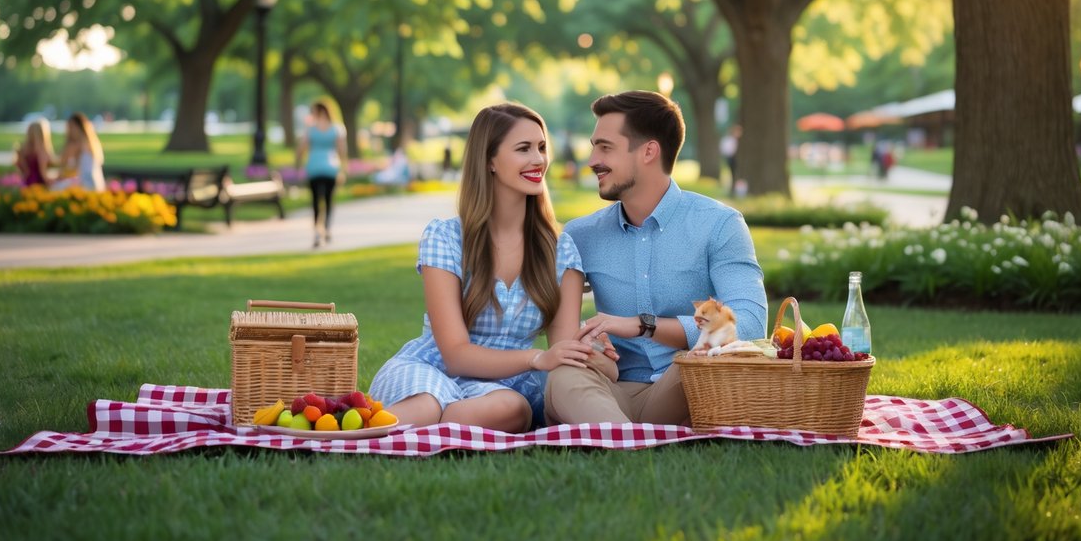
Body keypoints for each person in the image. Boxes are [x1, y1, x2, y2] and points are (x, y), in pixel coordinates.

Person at [369, 103, 615, 432]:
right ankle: (362, 433)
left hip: (502, 388)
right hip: (433, 369)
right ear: (489, 161)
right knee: (426, 404)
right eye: (523, 149)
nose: (538, 160)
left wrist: (595, 352)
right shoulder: (446, 237)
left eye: (542, 148)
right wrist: (534, 359)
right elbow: (455, 354)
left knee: (511, 409)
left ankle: (417, 430)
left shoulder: (560, 250)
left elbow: (561, 349)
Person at [545, 90, 767, 426]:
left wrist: (643, 325)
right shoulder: (581, 235)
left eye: (605, 147)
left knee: (703, 360)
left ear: (649, 151)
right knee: (562, 376)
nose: (592, 160)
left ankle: (616, 438)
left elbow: (750, 323)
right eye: (594, 146)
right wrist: (592, 344)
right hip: (612, 389)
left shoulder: (719, 225)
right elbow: (560, 331)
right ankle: (626, 437)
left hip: (686, 383)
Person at [295, 101, 348, 248]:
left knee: (315, 202)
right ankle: (327, 228)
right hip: (331, 167)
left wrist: (297, 164)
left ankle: (317, 231)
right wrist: (343, 167)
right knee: (329, 200)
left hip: (314, 167)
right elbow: (342, 149)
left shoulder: (310, 130)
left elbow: (302, 147)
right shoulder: (337, 128)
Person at [52, 113, 105, 191]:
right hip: (94, 184)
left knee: (56, 188)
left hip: (87, 184)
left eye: (72, 127)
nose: (69, 131)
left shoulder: (81, 145)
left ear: (79, 127)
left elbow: (68, 167)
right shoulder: (91, 143)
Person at [14, 118, 56, 186]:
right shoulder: (41, 151)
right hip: (38, 185)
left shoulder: (22, 150)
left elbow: (24, 172)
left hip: (25, 183)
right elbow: (43, 175)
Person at [721, 124, 741, 196]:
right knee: (733, 174)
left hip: (732, 158)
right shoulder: (730, 140)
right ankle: (733, 190)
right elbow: (727, 150)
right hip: (731, 158)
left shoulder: (732, 140)